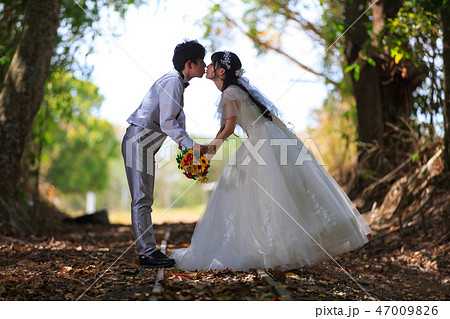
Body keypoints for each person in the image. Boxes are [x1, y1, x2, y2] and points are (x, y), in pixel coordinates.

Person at [170, 51, 371, 271]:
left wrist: (206, 155)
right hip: (266, 137)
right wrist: (207, 154)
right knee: (269, 190)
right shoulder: (235, 90)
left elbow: (227, 129)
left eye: (212, 64)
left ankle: (274, 246)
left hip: (261, 141)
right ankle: (278, 244)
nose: (207, 66)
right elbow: (226, 128)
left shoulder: (230, 92)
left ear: (221, 71)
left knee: (259, 188)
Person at [122, 40, 207, 268]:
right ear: (189, 64)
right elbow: (167, 123)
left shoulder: (178, 83)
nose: (206, 65)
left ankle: (149, 250)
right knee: (141, 198)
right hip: (138, 140)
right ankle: (147, 253)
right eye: (202, 61)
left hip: (146, 143)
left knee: (145, 198)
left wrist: (188, 154)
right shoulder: (172, 82)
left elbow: (177, 123)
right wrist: (190, 146)